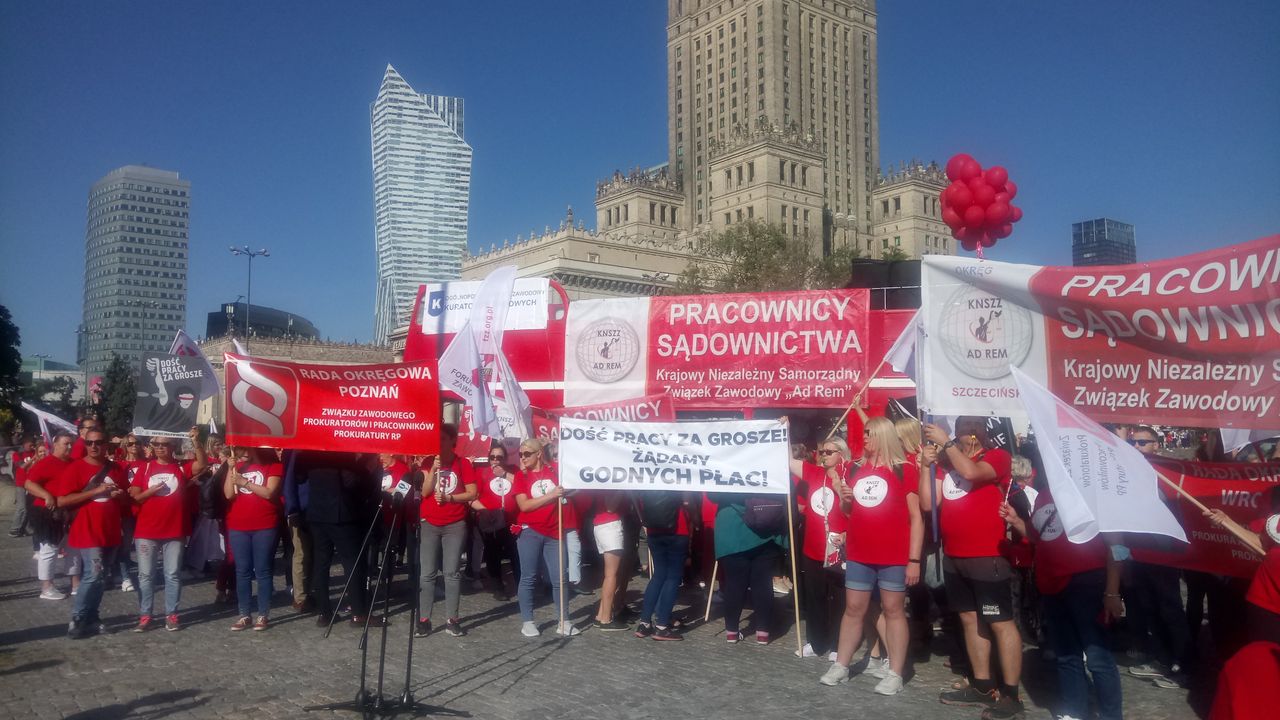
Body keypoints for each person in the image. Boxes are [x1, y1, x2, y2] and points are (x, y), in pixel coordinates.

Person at [920, 417, 1024, 719]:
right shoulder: (947, 461)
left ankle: (1011, 693)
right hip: (954, 554)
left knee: (1000, 621)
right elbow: (929, 504)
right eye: (960, 427)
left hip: (986, 556)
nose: (964, 432)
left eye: (969, 428)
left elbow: (971, 471)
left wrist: (947, 444)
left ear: (980, 432)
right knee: (968, 619)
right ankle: (981, 683)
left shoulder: (997, 457)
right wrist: (925, 466)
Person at [1000, 489, 1124, 720]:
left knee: (1098, 658)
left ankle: (1111, 716)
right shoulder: (1045, 494)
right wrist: (1016, 520)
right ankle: (1074, 712)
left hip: (1087, 583)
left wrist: (1113, 592)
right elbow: (1040, 536)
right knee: (1066, 656)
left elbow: (1117, 545)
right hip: (1051, 586)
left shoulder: (1093, 491)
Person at [820, 417, 922, 696]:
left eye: (869, 433)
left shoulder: (904, 470)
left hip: (893, 555)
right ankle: (841, 665)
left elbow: (916, 517)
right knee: (853, 609)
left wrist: (914, 559)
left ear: (882, 435)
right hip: (860, 553)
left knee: (893, 611)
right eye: (864, 433)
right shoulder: (854, 467)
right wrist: (844, 498)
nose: (864, 437)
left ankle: (895, 673)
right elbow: (849, 511)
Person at [1124, 424, 1193, 688]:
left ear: (1156, 445)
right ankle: (1163, 658)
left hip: (1163, 549)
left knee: (1170, 607)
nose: (1137, 447)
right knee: (1148, 606)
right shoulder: (1132, 471)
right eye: (1134, 443)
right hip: (1140, 548)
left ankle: (1182, 663)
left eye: (1143, 443)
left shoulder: (1166, 472)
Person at [51, 426, 129, 639]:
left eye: (99, 442)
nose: (94, 446)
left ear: (106, 445)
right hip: (87, 530)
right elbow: (63, 500)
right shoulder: (75, 469)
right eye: (90, 442)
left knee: (102, 578)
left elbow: (125, 500)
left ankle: (93, 617)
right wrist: (96, 491)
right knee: (92, 574)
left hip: (111, 530)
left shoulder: (116, 469)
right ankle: (77, 618)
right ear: (85, 444)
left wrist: (120, 495)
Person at [129, 428, 207, 632]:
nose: (160, 448)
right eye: (156, 444)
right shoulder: (145, 469)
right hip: (147, 531)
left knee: (172, 574)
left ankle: (171, 614)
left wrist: (196, 442)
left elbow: (202, 465)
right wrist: (151, 491)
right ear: (152, 447)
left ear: (172, 447)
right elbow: (136, 497)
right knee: (146, 575)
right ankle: (145, 615)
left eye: (164, 444)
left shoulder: (180, 467)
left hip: (175, 530)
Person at [297, 451, 379, 627]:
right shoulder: (340, 451)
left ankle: (324, 613)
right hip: (340, 514)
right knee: (352, 563)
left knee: (321, 563)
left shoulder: (309, 450)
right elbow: (351, 482)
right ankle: (358, 613)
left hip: (317, 513)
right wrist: (365, 468)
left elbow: (300, 476)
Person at [789, 435, 850, 660]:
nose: (823, 455)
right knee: (814, 596)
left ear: (841, 454)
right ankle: (816, 642)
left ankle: (837, 645)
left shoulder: (850, 474)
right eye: (822, 452)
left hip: (837, 548)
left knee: (838, 599)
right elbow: (789, 461)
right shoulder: (814, 473)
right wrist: (785, 431)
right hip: (813, 547)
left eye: (829, 452)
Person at [513, 438, 579, 637]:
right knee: (529, 577)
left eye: (527, 454)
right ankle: (528, 621)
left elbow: (575, 482)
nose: (523, 458)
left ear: (539, 453)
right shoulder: (520, 476)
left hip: (555, 531)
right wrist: (551, 495)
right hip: (530, 531)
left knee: (560, 577)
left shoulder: (555, 470)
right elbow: (524, 506)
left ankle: (564, 620)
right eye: (521, 454)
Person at [416, 425, 478, 638]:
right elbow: (424, 491)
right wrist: (433, 469)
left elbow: (472, 492)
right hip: (430, 523)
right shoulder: (427, 462)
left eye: (442, 438)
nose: (439, 442)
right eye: (437, 439)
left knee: (451, 572)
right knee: (427, 573)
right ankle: (424, 619)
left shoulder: (462, 464)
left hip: (454, 524)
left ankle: (453, 619)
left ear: (452, 440)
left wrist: (451, 498)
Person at [711, 485, 789, 645]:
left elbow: (712, 496)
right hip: (767, 529)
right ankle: (763, 632)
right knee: (763, 583)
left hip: (732, 529)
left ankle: (732, 631)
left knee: (734, 583)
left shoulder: (723, 466)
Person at [223, 447, 282, 631]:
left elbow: (268, 492)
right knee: (242, 571)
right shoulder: (238, 465)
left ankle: (263, 614)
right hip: (238, 526)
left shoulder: (274, 466)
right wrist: (229, 470)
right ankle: (244, 614)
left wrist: (244, 482)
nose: (244, 451)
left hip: (264, 525)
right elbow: (228, 494)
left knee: (263, 571)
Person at [24, 433, 79, 599]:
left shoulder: (73, 463)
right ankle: (46, 587)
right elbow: (28, 483)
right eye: (65, 444)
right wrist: (46, 495)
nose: (69, 447)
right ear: (55, 444)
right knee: (49, 549)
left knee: (74, 548)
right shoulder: (46, 463)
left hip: (69, 511)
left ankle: (76, 584)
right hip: (49, 512)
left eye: (71, 444)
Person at [634, 491, 694, 641]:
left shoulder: (650, 478)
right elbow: (687, 502)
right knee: (673, 577)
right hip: (677, 528)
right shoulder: (679, 477)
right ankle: (662, 626)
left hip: (654, 529)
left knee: (658, 575)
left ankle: (644, 623)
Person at [471, 445, 520, 601]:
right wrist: (485, 511)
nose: (496, 460)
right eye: (492, 457)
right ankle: (498, 587)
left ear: (505, 458)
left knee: (515, 554)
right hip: (490, 519)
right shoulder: (482, 472)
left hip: (512, 519)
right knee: (493, 554)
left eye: (499, 457)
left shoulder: (513, 470)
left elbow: (523, 484)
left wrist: (505, 474)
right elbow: (472, 497)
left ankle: (522, 586)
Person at [592, 490, 635, 631]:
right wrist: (623, 487)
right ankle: (606, 619)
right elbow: (610, 506)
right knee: (611, 575)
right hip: (610, 525)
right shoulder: (612, 484)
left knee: (610, 575)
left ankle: (600, 616)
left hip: (603, 524)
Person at [8, 436, 36, 538]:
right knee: (22, 507)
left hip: (31, 483)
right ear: (24, 444)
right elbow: (22, 466)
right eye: (29, 443)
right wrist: (34, 458)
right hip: (20, 484)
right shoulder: (17, 454)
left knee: (30, 507)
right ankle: (14, 529)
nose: (31, 445)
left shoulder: (34, 453)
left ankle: (25, 528)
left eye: (33, 443)